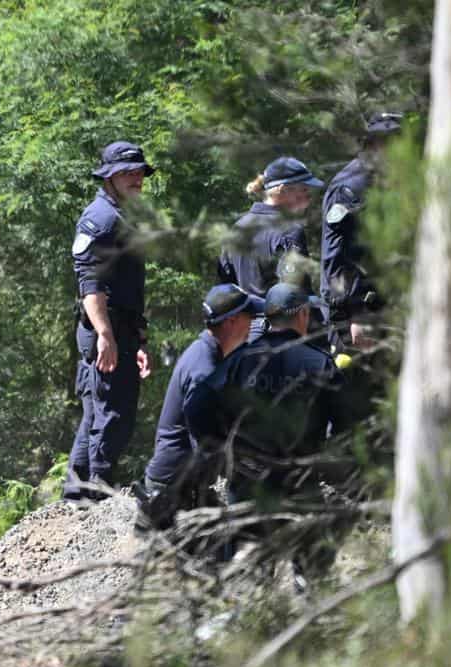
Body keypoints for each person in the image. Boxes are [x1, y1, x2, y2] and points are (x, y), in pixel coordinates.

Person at [184, 283, 346, 505]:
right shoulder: (320, 363)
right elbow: (346, 426)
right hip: (301, 491)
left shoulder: (239, 360)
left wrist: (225, 453)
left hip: (246, 492)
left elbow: (195, 408)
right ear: (303, 314)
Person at [67, 141, 155, 503]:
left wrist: (138, 339)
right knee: (112, 414)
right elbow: (90, 283)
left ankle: (78, 495)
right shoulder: (101, 219)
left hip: (120, 329)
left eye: (139, 172)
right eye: (127, 173)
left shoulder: (122, 215)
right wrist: (105, 334)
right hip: (105, 330)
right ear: (109, 177)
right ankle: (96, 495)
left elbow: (127, 287)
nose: (137, 179)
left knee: (96, 414)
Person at [134, 285, 260, 530]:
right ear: (232, 321)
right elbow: (206, 443)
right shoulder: (204, 370)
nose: (254, 324)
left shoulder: (213, 354)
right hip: (170, 497)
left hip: (184, 488)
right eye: (251, 317)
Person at [320, 112, 404, 350]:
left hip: (380, 305)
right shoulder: (352, 186)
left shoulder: (382, 180)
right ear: (372, 143)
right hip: (354, 316)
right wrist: (355, 312)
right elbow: (337, 254)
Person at [220, 157, 324, 340]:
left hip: (244, 338)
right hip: (282, 337)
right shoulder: (289, 230)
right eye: (304, 190)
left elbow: (225, 291)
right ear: (283, 190)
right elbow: (296, 294)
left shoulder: (237, 228)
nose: (308, 198)